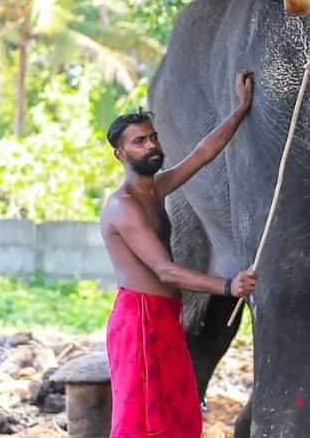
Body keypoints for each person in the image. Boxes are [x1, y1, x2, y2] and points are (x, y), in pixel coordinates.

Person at [99, 70, 259, 438]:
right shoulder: (124, 206)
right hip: (139, 321)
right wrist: (227, 286)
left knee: (179, 416)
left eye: (153, 137)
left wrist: (241, 109)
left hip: (166, 317)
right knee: (142, 423)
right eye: (139, 142)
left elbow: (202, 154)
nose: (151, 145)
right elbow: (165, 271)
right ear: (121, 154)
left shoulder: (155, 188)